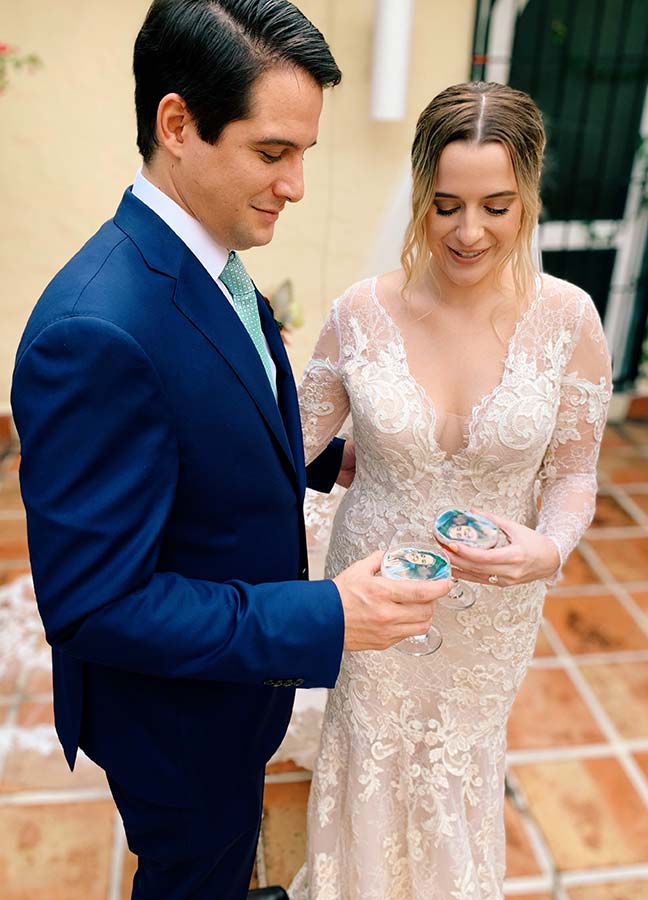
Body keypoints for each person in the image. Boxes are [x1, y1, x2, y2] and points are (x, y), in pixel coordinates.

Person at [10, 2, 452, 899]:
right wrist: (324, 616)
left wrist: (329, 458)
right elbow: (95, 606)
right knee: (195, 871)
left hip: (231, 692)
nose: (295, 185)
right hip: (174, 718)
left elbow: (213, 406)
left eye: (305, 156)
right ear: (178, 125)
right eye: (271, 152)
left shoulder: (208, 249)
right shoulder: (92, 332)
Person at [291, 81, 612, 898]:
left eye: (497, 207)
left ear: (529, 198)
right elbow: (283, 448)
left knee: (455, 770)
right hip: (371, 597)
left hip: (491, 618)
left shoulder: (570, 321)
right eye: (446, 206)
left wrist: (551, 547)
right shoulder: (360, 314)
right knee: (367, 756)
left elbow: (574, 475)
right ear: (419, 197)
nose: (469, 233)